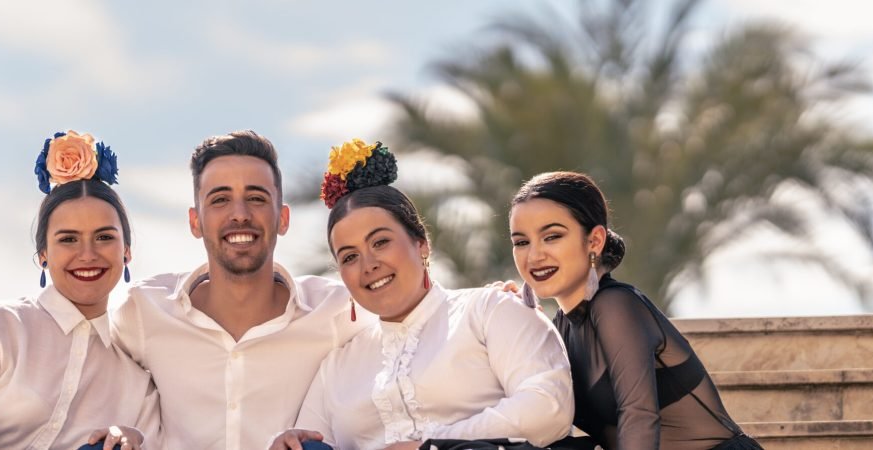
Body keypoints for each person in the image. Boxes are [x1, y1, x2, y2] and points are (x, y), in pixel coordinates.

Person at [269, 139, 574, 450]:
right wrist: (291, 442)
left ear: (421, 243)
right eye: (349, 257)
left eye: (380, 242)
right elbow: (308, 438)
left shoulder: (488, 310)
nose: (369, 265)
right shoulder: (337, 368)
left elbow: (549, 406)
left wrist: (429, 446)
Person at [111, 130, 374, 450]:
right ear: (196, 222)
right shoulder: (142, 311)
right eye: (220, 199)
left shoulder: (337, 313)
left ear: (283, 218)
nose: (240, 214)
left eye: (256, 198)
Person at [0, 131, 157, 450]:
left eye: (104, 238)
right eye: (68, 239)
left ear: (126, 252)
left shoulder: (137, 385)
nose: (87, 254)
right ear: (43, 254)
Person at [508, 171, 761, 450]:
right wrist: (505, 314)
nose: (534, 255)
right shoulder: (562, 327)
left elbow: (639, 416)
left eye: (552, 236)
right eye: (521, 242)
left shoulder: (616, 306)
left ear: (594, 241)